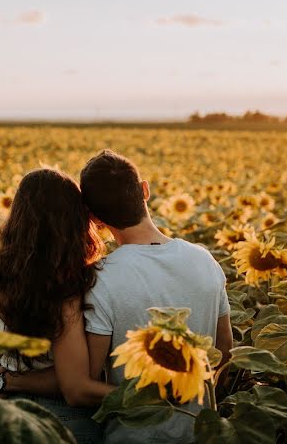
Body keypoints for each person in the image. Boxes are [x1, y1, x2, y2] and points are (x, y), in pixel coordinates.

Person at [80, 149, 233, 443]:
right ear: (145, 191)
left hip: (130, 436)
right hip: (196, 433)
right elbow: (224, 352)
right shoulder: (204, 260)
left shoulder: (100, 278)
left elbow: (90, 379)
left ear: (95, 218)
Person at [0, 167, 114, 444]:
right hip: (65, 422)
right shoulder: (70, 289)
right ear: (73, 221)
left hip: (5, 415)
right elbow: (73, 382)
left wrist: (4, 384)